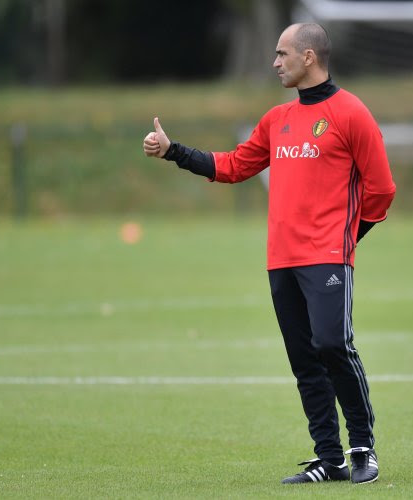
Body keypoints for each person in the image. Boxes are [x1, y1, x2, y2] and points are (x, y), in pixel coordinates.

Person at [143, 23, 395, 485]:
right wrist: (173, 151)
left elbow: (382, 189)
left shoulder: (351, 113)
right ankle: (330, 458)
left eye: (282, 54)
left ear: (309, 58)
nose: (275, 62)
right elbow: (236, 166)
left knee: (333, 345)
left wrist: (345, 239)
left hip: (327, 257)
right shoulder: (277, 119)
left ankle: (362, 447)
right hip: (281, 259)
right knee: (304, 360)